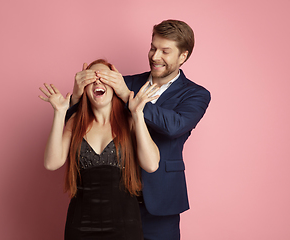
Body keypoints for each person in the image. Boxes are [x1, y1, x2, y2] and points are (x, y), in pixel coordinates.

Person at [70, 20, 211, 240]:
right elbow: (82, 119)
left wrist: (128, 97)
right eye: (153, 47)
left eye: (165, 51)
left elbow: (175, 126)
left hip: (160, 202)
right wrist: (76, 96)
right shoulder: (125, 82)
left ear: (183, 56)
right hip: (114, 199)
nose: (155, 56)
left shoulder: (196, 94)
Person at [39, 59, 160, 240]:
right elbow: (51, 163)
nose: (98, 82)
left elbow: (151, 165)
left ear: (116, 85)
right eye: (91, 78)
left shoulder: (130, 120)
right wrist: (59, 113)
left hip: (125, 224)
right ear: (83, 89)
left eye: (104, 77)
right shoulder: (76, 122)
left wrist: (138, 114)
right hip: (81, 224)